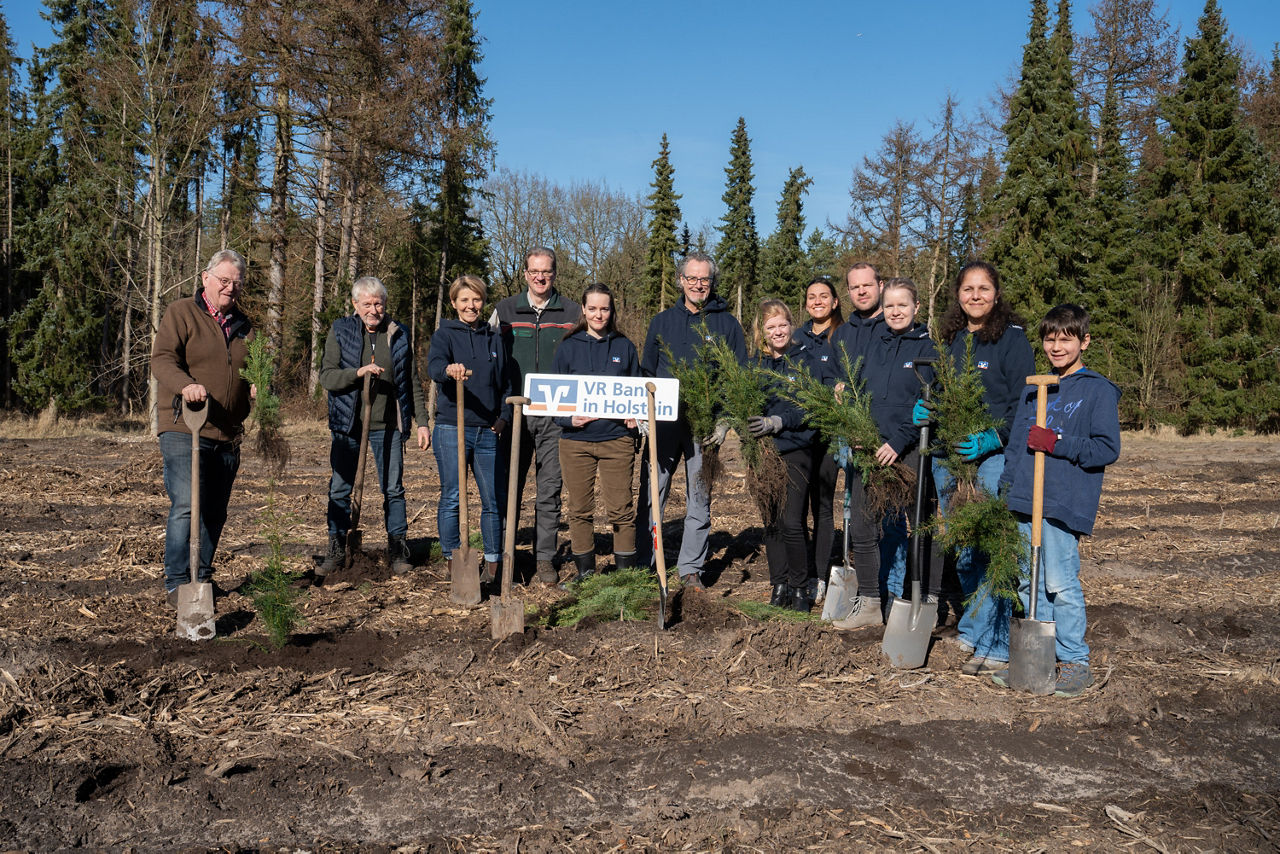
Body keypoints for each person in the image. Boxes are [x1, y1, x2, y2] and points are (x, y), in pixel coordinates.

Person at [991, 304, 1120, 697]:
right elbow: (1016, 445)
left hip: (1063, 500)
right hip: (1026, 499)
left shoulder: (1097, 389)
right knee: (1029, 584)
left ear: (1084, 341)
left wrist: (1058, 443)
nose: (1057, 345)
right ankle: (1039, 661)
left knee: (1060, 583)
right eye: (1050, 338)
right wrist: (1008, 487)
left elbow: (1106, 448)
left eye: (1066, 338)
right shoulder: (1034, 387)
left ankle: (1075, 663)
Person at [916, 260, 1035, 674]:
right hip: (950, 458)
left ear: (996, 294)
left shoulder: (1012, 341)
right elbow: (943, 391)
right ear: (958, 296)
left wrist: (993, 438)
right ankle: (973, 628)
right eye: (968, 289)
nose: (976, 296)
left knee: (989, 546)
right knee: (963, 548)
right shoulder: (950, 339)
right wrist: (927, 409)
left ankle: (997, 643)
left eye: (984, 288)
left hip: (989, 458)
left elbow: (1025, 404)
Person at [637, 252, 748, 588]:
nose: (699, 284)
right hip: (664, 424)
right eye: (692, 278)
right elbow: (647, 372)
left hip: (705, 427)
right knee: (653, 491)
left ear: (712, 283)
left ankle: (690, 569)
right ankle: (646, 562)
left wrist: (725, 418)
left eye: (705, 279)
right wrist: (644, 411)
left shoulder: (727, 325)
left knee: (699, 498)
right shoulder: (662, 322)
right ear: (681, 280)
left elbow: (737, 376)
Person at [151, 248, 254, 604]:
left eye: (236, 283)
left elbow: (253, 369)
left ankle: (203, 578)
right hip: (184, 424)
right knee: (187, 504)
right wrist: (185, 385)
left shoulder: (245, 326)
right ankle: (177, 582)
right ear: (205, 278)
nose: (230, 288)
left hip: (227, 432)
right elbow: (162, 359)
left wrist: (257, 384)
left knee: (215, 510)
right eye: (224, 281)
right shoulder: (182, 313)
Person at [318, 276, 430, 576]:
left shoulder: (398, 333)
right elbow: (327, 376)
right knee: (340, 488)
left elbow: (411, 382)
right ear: (355, 305)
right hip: (348, 425)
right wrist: (357, 373)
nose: (373, 309)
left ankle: (397, 547)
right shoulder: (341, 330)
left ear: (385, 304)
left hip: (388, 425)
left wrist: (422, 422)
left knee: (393, 489)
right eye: (366, 303)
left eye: (378, 303)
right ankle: (336, 546)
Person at [492, 247, 581, 584]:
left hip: (555, 417)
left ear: (554, 273)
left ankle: (545, 559)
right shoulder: (504, 311)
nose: (540, 277)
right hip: (513, 414)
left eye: (546, 272)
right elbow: (492, 361)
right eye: (534, 271)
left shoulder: (572, 311)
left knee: (549, 491)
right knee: (508, 489)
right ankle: (505, 556)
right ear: (525, 273)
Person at [552, 283, 641, 585]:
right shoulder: (568, 347)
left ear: (612, 310)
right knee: (579, 509)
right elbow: (553, 399)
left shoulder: (624, 347)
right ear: (584, 310)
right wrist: (567, 418)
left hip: (616, 441)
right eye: (593, 308)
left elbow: (637, 394)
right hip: (576, 443)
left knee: (621, 510)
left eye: (604, 308)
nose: (598, 314)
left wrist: (635, 415)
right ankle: (585, 574)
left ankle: (625, 577)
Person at [860, 278, 938, 612]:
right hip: (873, 448)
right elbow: (861, 390)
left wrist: (898, 440)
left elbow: (927, 405)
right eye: (889, 305)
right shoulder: (875, 344)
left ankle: (919, 596)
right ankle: (881, 596)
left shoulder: (927, 349)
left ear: (916, 307)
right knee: (875, 525)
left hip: (908, 450)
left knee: (917, 523)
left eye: (902, 305)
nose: (895, 311)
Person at [751, 300, 834, 611]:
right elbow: (746, 403)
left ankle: (800, 588)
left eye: (782, 325)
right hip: (765, 452)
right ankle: (779, 584)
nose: (777, 331)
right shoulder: (756, 365)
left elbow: (809, 409)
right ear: (762, 331)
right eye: (771, 327)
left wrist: (779, 421)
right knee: (771, 520)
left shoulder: (807, 362)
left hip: (797, 449)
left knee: (791, 520)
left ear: (791, 325)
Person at [430, 275, 513, 583]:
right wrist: (448, 370)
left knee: (492, 499)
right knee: (452, 495)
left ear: (483, 301)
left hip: (488, 431)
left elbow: (506, 383)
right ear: (454, 303)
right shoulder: (445, 335)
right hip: (453, 427)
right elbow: (434, 367)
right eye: (464, 300)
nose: (471, 305)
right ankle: (454, 562)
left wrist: (502, 418)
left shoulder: (494, 338)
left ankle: (492, 565)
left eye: (476, 299)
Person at [797, 277, 843, 600]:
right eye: (811, 297)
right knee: (797, 505)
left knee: (823, 505)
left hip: (831, 433)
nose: (817, 301)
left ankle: (819, 575)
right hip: (799, 432)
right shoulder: (797, 337)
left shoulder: (844, 336)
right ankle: (800, 572)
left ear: (835, 302)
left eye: (823, 296)